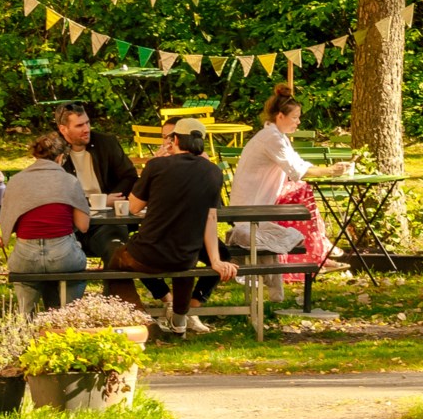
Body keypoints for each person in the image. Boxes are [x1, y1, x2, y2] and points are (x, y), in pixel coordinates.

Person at [105, 121, 236, 335]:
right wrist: (215, 260)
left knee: (116, 260)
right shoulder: (213, 171)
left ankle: (139, 318)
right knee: (184, 266)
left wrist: (150, 171)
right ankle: (180, 320)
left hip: (147, 254)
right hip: (185, 257)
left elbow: (134, 207)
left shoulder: (156, 166)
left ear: (175, 139)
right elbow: (210, 219)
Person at [228, 86, 328, 272]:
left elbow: (297, 162)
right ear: (280, 116)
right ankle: (310, 256)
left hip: (260, 201)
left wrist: (327, 170)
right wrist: (330, 171)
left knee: (301, 192)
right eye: (295, 117)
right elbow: (296, 170)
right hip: (252, 206)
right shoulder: (271, 138)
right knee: (301, 195)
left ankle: (317, 251)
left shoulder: (277, 136)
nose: (298, 122)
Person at [0, 131, 96, 302]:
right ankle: (69, 313)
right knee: (75, 277)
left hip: (25, 256)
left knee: (26, 284)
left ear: (36, 156)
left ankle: (25, 316)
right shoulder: (69, 181)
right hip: (63, 255)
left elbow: (8, 222)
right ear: (60, 157)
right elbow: (83, 226)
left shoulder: (16, 181)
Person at [54, 101, 140, 199]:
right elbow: (52, 190)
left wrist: (112, 198)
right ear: (63, 129)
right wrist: (94, 203)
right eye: (79, 125)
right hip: (73, 206)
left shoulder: (106, 143)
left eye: (87, 123)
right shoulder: (53, 150)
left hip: (110, 205)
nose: (87, 129)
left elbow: (129, 176)